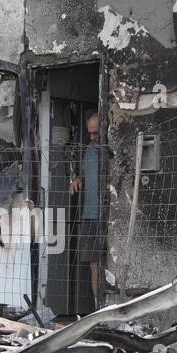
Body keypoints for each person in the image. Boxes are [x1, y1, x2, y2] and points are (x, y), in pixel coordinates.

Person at [70, 113, 103, 305]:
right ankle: (98, 308)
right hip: (90, 214)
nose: (92, 138)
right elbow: (84, 172)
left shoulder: (112, 150)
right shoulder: (90, 150)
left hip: (109, 214)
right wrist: (79, 179)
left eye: (95, 133)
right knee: (94, 264)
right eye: (90, 134)